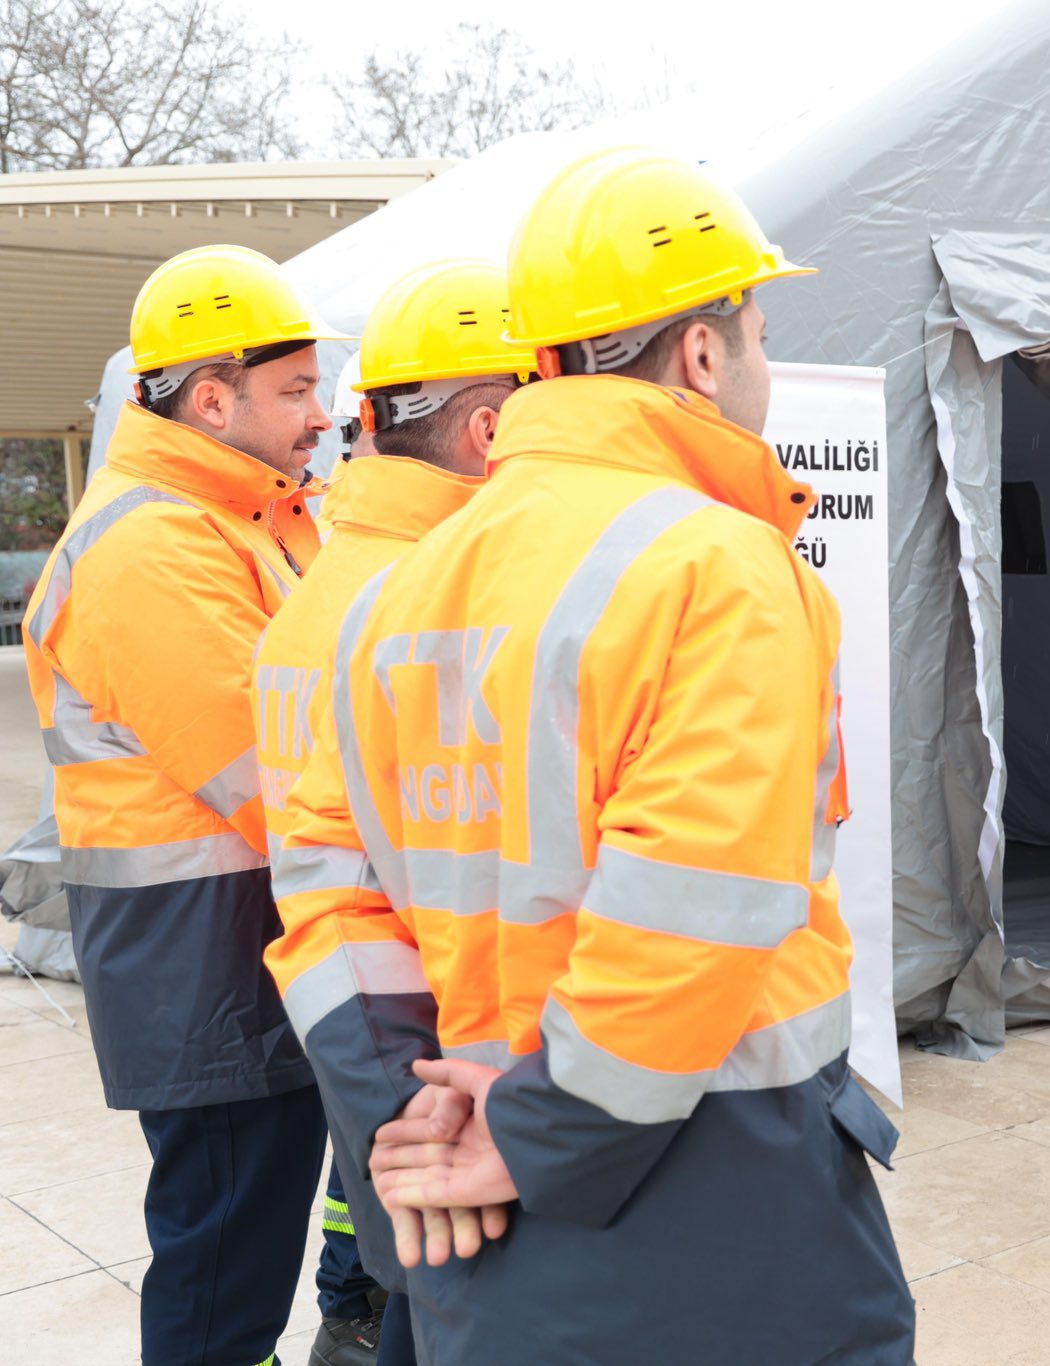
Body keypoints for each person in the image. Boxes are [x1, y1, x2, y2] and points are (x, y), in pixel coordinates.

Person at [267, 147, 916, 1363]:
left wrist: (413, 1122)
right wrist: (536, 1134)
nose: (762, 364)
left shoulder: (390, 594)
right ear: (705, 353)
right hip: (713, 1191)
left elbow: (322, 891)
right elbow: (693, 907)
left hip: (476, 1204)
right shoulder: (718, 565)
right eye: (759, 330)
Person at [21, 244, 341, 1365]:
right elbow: (276, 770)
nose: (321, 413)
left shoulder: (240, 516)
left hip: (238, 954)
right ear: (214, 397)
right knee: (221, 1277)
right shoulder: (153, 544)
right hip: (203, 969)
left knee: (241, 1253)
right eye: (295, 388)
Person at [257, 259, 535, 1366]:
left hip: (371, 1052)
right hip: (457, 1088)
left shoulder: (321, 593)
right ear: (482, 431)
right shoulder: (446, 604)